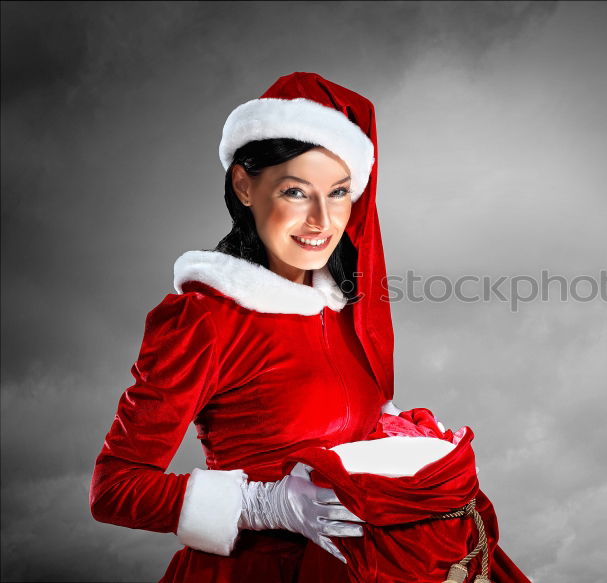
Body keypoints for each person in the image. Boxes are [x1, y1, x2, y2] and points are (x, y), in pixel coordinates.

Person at [90, 72, 412, 582]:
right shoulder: (203, 319)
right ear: (244, 185)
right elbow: (113, 488)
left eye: (339, 193)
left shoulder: (344, 311)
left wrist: (399, 440)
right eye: (296, 192)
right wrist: (266, 504)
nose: (322, 220)